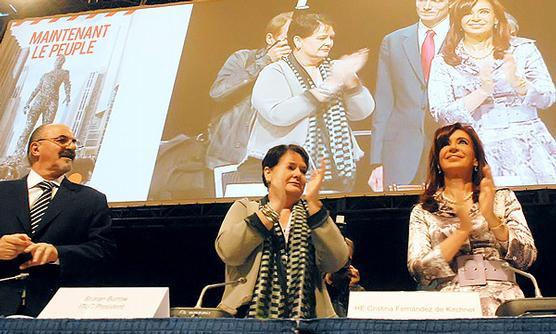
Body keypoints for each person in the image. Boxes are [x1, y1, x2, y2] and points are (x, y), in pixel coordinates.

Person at [407, 122, 537, 316]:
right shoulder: (423, 211)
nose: (453, 147)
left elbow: (526, 258)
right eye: (445, 144)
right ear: (438, 161)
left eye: (462, 142)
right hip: (448, 306)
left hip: (505, 305)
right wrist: (462, 230)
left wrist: (490, 216)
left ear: (476, 159)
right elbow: (419, 270)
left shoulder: (502, 198)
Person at [428, 0, 556, 186]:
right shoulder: (444, 61)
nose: (476, 18)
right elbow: (441, 113)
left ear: (495, 18)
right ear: (458, 21)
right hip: (476, 149)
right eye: (468, 13)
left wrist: (518, 83)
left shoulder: (523, 49)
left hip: (530, 148)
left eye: (483, 12)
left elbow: (548, 97)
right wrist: (482, 92)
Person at [215, 144, 349, 318]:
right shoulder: (245, 208)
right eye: (291, 167)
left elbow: (336, 261)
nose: (298, 175)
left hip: (307, 321)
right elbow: (229, 252)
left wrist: (314, 204)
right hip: (248, 319)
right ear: (268, 172)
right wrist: (274, 207)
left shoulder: (313, 217)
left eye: (303, 171)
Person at [248, 13, 375, 193]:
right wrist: (328, 86)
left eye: (331, 38)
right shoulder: (275, 71)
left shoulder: (334, 69)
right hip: (289, 170)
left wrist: (351, 82)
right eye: (322, 38)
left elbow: (363, 112)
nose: (329, 43)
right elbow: (278, 114)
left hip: (337, 170)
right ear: (298, 41)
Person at [0, 123, 115, 317]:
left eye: (74, 143)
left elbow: (103, 250)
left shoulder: (91, 199)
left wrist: (57, 253)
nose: (71, 147)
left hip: (57, 310)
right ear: (35, 148)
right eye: (62, 140)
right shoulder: (2, 193)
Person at [369, 0, 453, 192]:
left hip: (448, 143)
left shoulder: (462, 38)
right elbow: (383, 102)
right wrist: (376, 161)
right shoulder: (393, 41)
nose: (427, 6)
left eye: (437, 0)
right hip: (400, 150)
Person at [206, 12, 292, 169]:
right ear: (270, 39)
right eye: (287, 39)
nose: (292, 45)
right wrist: (265, 61)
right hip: (229, 158)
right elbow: (217, 92)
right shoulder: (244, 58)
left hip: (270, 160)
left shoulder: (294, 71)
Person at [15, 55, 71, 157]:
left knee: (45, 130)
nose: (59, 61)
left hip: (52, 102)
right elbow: (37, 88)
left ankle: (39, 154)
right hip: (39, 100)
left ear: (63, 62)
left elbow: (67, 84)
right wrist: (28, 102)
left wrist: (68, 96)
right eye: (58, 59)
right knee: (28, 127)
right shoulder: (46, 75)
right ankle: (18, 152)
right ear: (55, 61)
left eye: (61, 60)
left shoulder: (64, 73)